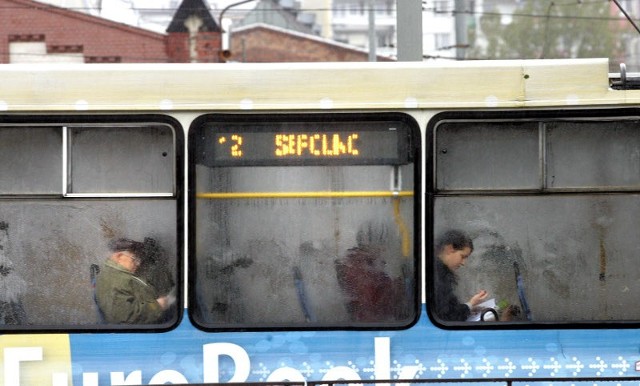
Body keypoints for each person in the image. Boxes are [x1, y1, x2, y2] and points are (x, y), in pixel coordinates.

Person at [95, 238, 170, 324]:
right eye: (134, 259)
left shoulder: (120, 274)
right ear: (119, 257)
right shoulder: (114, 280)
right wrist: (157, 306)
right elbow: (124, 317)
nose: (138, 264)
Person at [434, 229, 488, 321]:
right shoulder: (438, 276)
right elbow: (449, 316)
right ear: (449, 249)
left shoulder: (435, 270)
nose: (463, 263)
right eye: (462, 256)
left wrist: (470, 305)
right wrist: (470, 305)